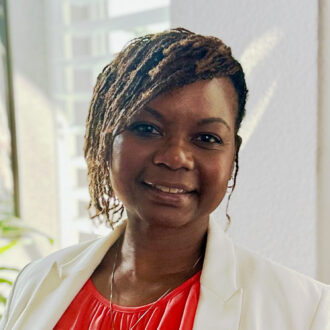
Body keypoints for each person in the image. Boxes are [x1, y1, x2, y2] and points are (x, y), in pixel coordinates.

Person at [1, 28, 329, 330]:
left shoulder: (305, 311)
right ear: (107, 138)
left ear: (233, 155)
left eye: (207, 138)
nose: (175, 158)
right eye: (147, 129)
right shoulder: (36, 282)